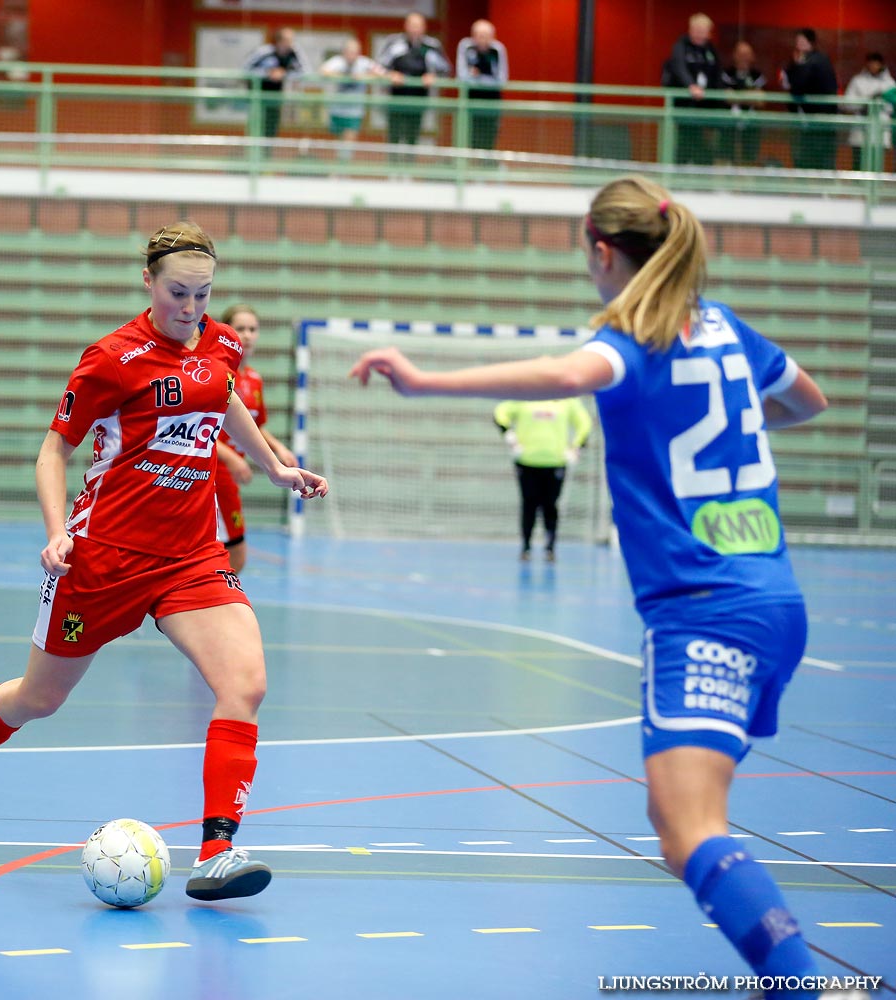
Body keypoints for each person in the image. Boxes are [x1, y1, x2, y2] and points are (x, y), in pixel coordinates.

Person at [350, 176, 844, 1000]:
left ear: (603, 251)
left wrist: (425, 380)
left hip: (702, 611)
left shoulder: (628, 341)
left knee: (690, 829)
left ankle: (803, 985)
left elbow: (559, 371)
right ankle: (785, 981)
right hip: (776, 602)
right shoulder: (725, 328)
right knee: (676, 823)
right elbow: (809, 401)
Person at [0, 223, 329, 902]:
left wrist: (278, 468)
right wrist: (56, 534)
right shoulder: (112, 358)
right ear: (148, 282)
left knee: (245, 683)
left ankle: (217, 853)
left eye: (203, 295)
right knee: (39, 697)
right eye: (177, 293)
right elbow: (53, 451)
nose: (191, 309)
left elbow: (222, 401)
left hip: (191, 556)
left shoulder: (221, 342)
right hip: (102, 559)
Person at [214, 303, 298, 574]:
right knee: (236, 554)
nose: (247, 335)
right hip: (212, 470)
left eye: (253, 329)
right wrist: (232, 460)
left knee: (225, 552)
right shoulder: (217, 373)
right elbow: (201, 426)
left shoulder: (253, 379)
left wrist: (278, 449)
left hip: (230, 474)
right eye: (241, 329)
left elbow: (254, 426)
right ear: (227, 332)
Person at [492, 397, 592, 562]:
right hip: (527, 461)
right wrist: (509, 435)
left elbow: (584, 423)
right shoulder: (527, 396)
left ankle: (550, 547)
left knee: (550, 505)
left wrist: (576, 447)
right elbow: (500, 412)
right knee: (529, 504)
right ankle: (526, 546)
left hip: (555, 462)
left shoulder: (567, 399)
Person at [376, 13, 451, 153]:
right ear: (406, 26)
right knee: (394, 133)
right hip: (396, 96)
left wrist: (433, 76)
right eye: (412, 25)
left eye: (418, 26)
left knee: (413, 134)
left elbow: (446, 69)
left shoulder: (432, 45)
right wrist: (390, 75)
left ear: (424, 27)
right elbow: (378, 67)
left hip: (419, 97)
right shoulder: (394, 42)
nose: (415, 29)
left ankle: (408, 168)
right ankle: (393, 169)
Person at [661, 13, 725, 165]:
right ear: (691, 29)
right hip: (684, 105)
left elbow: (717, 73)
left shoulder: (710, 50)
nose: (700, 34)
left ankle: (704, 178)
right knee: (685, 142)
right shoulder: (681, 46)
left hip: (705, 108)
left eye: (704, 31)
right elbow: (678, 67)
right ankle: (679, 175)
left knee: (705, 145)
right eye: (697, 30)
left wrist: (721, 93)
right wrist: (691, 85)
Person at [781, 28, 840, 171]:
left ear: (811, 42)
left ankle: (818, 187)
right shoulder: (809, 60)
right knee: (813, 155)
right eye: (797, 42)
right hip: (814, 119)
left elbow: (798, 85)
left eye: (802, 41)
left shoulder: (813, 61)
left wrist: (797, 68)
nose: (798, 45)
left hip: (817, 119)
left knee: (815, 156)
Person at [319, 37, 382, 158]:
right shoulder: (337, 61)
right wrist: (341, 76)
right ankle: (336, 170)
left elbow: (381, 73)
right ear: (344, 52)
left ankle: (342, 171)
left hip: (354, 112)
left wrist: (363, 77)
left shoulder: (364, 62)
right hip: (337, 110)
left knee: (348, 143)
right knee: (338, 143)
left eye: (355, 52)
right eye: (349, 52)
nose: (352, 55)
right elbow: (323, 71)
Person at [454, 19, 509, 151]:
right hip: (470, 100)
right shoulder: (465, 46)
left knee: (489, 135)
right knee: (469, 135)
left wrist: (477, 76)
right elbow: (461, 77)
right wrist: (484, 77)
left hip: (492, 101)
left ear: (492, 36)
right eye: (479, 35)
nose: (482, 38)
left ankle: (486, 164)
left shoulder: (498, 49)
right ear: (473, 35)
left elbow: (502, 79)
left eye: (485, 35)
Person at [243, 28, 305, 140]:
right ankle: (253, 155)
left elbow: (305, 72)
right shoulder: (264, 52)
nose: (291, 43)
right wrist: (268, 73)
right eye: (288, 40)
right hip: (257, 97)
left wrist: (284, 73)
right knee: (255, 128)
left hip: (275, 98)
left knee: (270, 129)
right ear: (279, 41)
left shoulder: (293, 54)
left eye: (292, 40)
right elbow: (245, 69)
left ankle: (267, 154)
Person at [843, 53, 894, 171]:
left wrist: (879, 103)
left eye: (876, 63)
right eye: (871, 63)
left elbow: (891, 107)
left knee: (876, 166)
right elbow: (847, 103)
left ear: (881, 64)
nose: (873, 66)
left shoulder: (889, 84)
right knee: (858, 164)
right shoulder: (857, 80)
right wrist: (864, 104)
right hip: (860, 129)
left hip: (879, 130)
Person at [721, 41, 767, 167]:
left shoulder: (757, 75)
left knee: (750, 157)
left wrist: (737, 96)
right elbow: (727, 98)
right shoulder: (727, 73)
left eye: (747, 54)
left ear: (752, 56)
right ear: (734, 55)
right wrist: (750, 95)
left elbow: (760, 100)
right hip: (729, 123)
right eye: (740, 54)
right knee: (726, 156)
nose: (744, 57)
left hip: (751, 123)